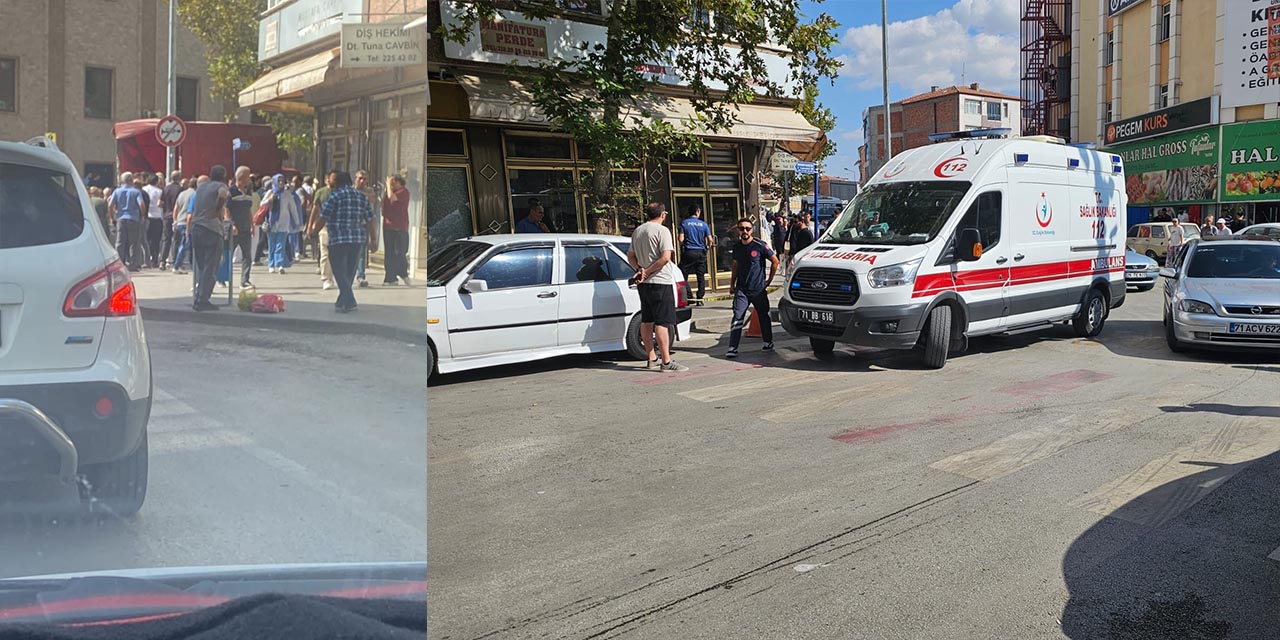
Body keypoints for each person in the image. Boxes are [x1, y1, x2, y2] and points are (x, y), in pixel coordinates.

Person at [626, 203, 688, 372]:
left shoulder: (638, 231)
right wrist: (647, 271)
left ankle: (651, 357)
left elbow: (630, 255)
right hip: (660, 281)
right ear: (663, 214)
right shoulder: (663, 231)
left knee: (647, 320)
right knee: (662, 322)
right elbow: (665, 257)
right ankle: (666, 361)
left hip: (644, 284)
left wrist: (639, 270)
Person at [315, 171, 377, 313]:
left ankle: (350, 300)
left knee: (338, 270)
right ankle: (343, 302)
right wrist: (373, 239)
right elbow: (370, 219)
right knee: (349, 271)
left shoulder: (334, 196)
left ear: (338, 183)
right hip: (357, 239)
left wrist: (313, 232)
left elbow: (323, 217)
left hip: (338, 238)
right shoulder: (362, 197)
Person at [726, 218, 779, 358]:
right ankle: (732, 347)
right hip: (742, 289)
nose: (745, 231)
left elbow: (775, 261)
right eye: (742, 228)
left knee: (763, 316)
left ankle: (768, 342)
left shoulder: (760, 245)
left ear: (752, 230)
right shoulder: (737, 247)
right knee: (738, 316)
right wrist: (732, 284)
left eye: (747, 228)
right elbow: (735, 266)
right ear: (738, 230)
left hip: (758, 290)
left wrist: (769, 280)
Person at [190, 166, 231, 311]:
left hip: (196, 227)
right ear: (223, 176)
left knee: (201, 266)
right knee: (211, 266)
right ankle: (203, 299)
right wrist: (217, 210)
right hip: (211, 229)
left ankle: (198, 296)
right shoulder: (221, 186)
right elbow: (222, 195)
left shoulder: (201, 187)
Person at [261, 174, 305, 274]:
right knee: (272, 244)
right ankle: (271, 265)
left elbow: (293, 208)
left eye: (282, 181)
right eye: (279, 181)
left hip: (284, 222)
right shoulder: (270, 192)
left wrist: (297, 222)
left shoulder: (287, 194)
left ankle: (280, 264)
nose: (281, 183)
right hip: (272, 223)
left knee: (280, 244)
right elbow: (262, 204)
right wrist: (269, 200)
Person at [228, 167, 260, 288]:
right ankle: (223, 277)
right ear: (241, 177)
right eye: (247, 177)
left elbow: (248, 210)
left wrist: (252, 225)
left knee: (247, 256)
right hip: (234, 230)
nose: (249, 180)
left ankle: (245, 280)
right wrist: (231, 224)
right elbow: (226, 209)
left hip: (246, 229)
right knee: (228, 255)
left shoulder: (248, 192)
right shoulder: (231, 191)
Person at [107, 172, 146, 270]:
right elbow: (141, 204)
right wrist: (142, 215)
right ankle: (133, 264)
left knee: (120, 242)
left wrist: (112, 217)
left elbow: (110, 205)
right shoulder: (136, 192)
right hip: (133, 218)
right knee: (134, 243)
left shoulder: (117, 191)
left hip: (121, 218)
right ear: (131, 180)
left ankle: (120, 263)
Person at [677, 204, 712, 304]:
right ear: (697, 212)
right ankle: (700, 298)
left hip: (689, 251)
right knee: (700, 276)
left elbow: (680, 239)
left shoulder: (684, 223)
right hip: (701, 252)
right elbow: (710, 240)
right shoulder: (704, 224)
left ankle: (688, 296)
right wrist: (707, 248)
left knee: (682, 275)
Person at [381, 174, 412, 286]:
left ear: (399, 182)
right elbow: (384, 205)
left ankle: (403, 272)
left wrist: (388, 184)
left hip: (400, 227)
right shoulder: (388, 192)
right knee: (389, 253)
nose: (391, 185)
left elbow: (392, 198)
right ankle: (390, 277)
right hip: (388, 226)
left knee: (400, 252)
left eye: (393, 183)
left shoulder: (403, 192)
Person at [310, 171, 338, 290]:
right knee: (325, 252)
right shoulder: (321, 192)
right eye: (332, 179)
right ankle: (326, 278)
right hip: (325, 226)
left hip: (339, 227)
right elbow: (315, 209)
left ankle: (338, 277)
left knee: (337, 254)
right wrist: (310, 226)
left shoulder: (340, 192)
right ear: (327, 179)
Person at [354, 170, 379, 288]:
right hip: (351, 224)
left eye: (364, 179)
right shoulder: (351, 189)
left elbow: (372, 199)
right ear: (355, 178)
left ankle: (361, 275)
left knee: (361, 252)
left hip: (364, 223)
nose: (362, 181)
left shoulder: (369, 191)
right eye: (360, 178)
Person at [170, 177, 197, 274]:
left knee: (182, 243)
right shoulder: (195, 194)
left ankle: (187, 265)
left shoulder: (182, 194)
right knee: (185, 244)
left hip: (180, 221)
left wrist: (175, 220)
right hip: (188, 222)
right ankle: (177, 265)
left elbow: (176, 208)